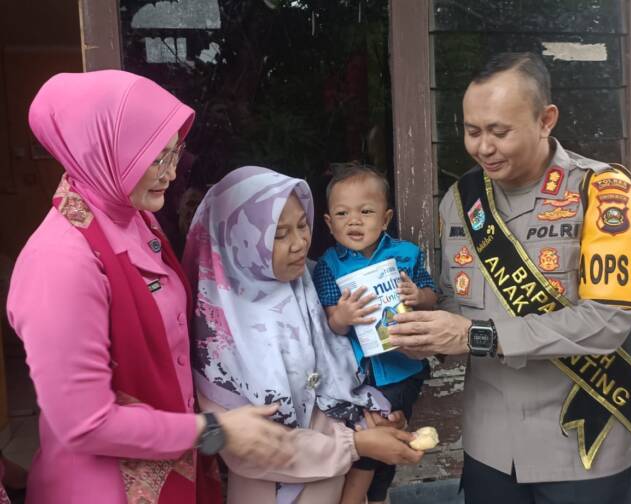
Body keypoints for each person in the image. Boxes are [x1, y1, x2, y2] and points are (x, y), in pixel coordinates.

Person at [6, 70, 296, 504]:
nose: (171, 172)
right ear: (100, 152)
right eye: (153, 159)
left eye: (173, 152)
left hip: (173, 469)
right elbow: (84, 423)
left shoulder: (134, 217)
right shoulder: (60, 262)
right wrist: (215, 431)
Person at [388, 52, 631, 503]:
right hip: (491, 443)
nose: (483, 147)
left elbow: (610, 319)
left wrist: (475, 336)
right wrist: (426, 329)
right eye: (472, 132)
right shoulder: (460, 201)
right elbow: (460, 308)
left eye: (499, 131)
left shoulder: (602, 191)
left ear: (545, 120)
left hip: (581, 440)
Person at [182, 166, 424, 504]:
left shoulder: (313, 284)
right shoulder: (217, 334)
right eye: (279, 234)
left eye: (302, 225)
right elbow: (245, 448)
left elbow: (346, 376)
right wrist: (356, 445)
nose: (299, 244)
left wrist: (376, 416)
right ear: (239, 240)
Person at [311, 163, 438, 504]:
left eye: (366, 211)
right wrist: (344, 315)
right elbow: (328, 322)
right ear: (328, 222)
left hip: (401, 367)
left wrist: (417, 296)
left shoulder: (405, 255)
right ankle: (375, 498)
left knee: (379, 436)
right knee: (377, 438)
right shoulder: (329, 265)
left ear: (385, 218)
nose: (354, 221)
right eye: (342, 213)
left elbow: (430, 294)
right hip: (357, 375)